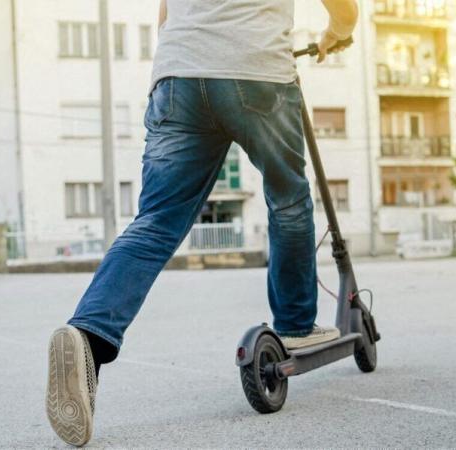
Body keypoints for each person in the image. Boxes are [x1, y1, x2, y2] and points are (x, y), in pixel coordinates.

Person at [46, 0, 359, 446]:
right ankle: (294, 323)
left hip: (179, 74)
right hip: (256, 74)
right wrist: (335, 33)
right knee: (288, 199)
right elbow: (343, 7)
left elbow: (165, 15)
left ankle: (88, 339)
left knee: (155, 220)